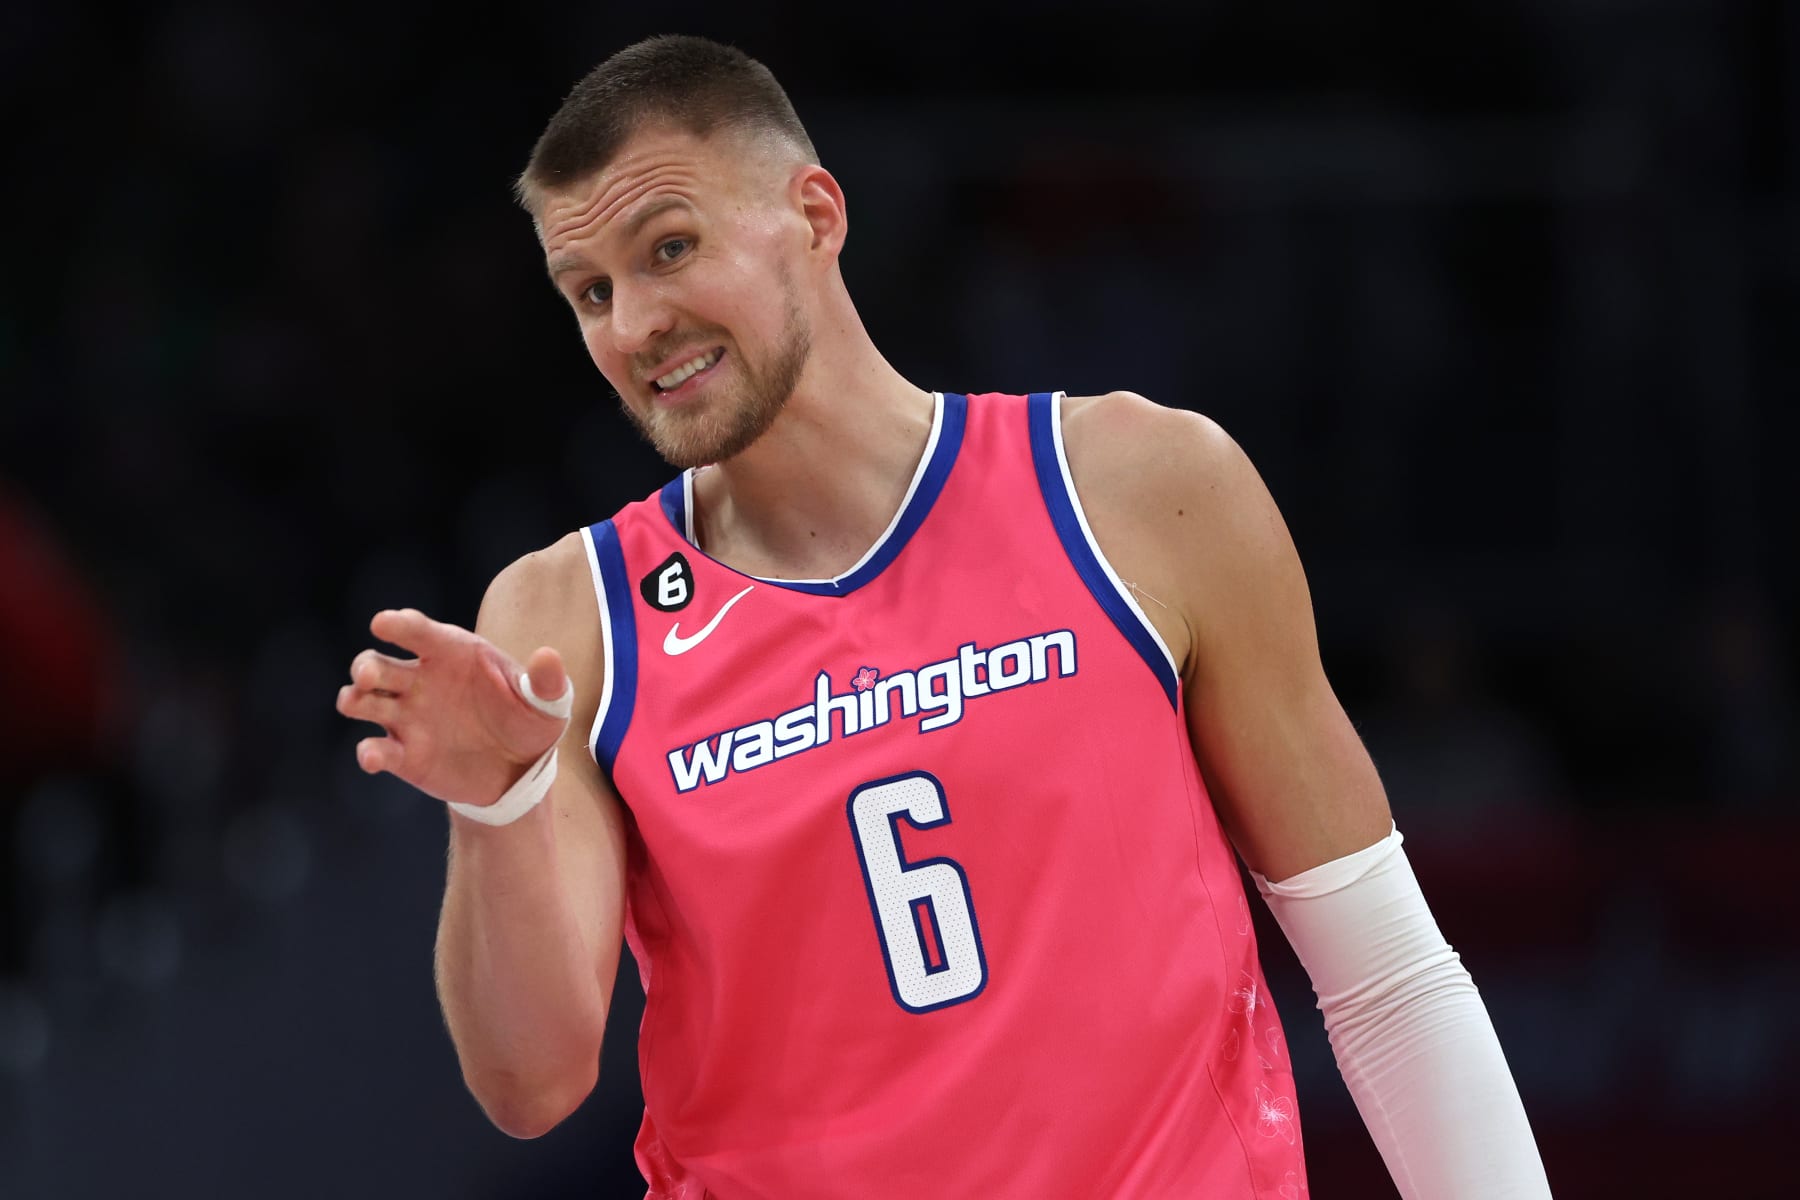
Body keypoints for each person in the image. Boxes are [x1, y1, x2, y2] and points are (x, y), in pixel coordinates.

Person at [336, 35, 1551, 1199]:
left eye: (669, 250)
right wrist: (495, 806)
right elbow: (533, 1082)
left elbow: (1386, 977)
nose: (631, 324)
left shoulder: (1134, 487)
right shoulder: (570, 616)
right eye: (587, 289)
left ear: (816, 215)